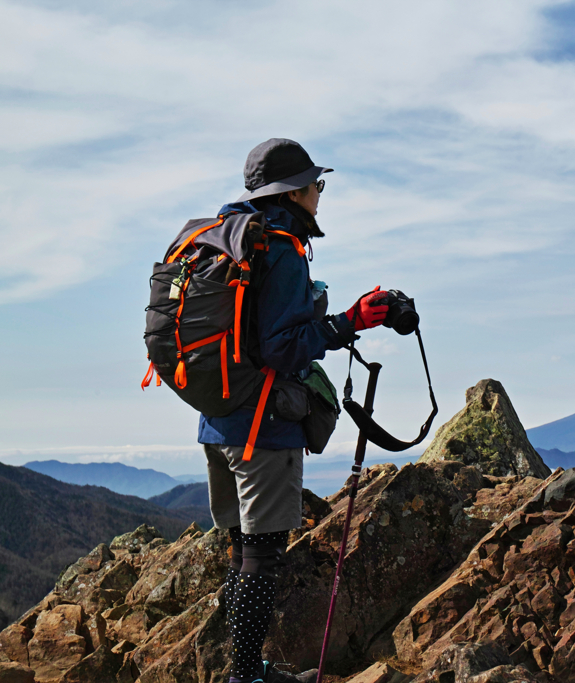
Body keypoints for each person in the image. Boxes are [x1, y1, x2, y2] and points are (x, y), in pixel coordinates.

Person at [201, 139, 389, 683]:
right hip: (262, 428)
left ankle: (244, 671)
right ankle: (245, 678)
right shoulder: (279, 246)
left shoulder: (227, 238)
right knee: (262, 557)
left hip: (216, 420)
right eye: (316, 186)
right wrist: (348, 322)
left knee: (242, 551)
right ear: (294, 192)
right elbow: (281, 347)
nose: (318, 196)